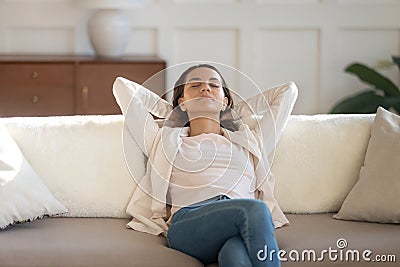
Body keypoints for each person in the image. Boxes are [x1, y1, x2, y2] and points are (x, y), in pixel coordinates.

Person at [113, 64, 298, 267]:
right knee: (256, 210)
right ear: (182, 102)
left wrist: (231, 110)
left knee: (234, 256)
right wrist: (173, 111)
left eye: (213, 85)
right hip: (189, 222)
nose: (205, 89)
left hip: (239, 223)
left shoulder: (250, 141)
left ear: (225, 101)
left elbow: (288, 91)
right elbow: (122, 87)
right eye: (195, 85)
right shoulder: (164, 141)